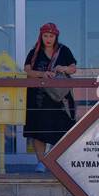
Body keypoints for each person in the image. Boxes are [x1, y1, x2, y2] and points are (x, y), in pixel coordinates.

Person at [22, 22, 78, 171]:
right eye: (45, 35)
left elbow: (73, 69)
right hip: (38, 99)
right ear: (41, 36)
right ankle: (41, 162)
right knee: (38, 130)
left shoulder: (63, 50)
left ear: (56, 37)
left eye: (51, 36)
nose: (48, 39)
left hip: (60, 98)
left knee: (61, 129)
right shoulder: (35, 52)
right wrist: (42, 74)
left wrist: (63, 68)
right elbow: (27, 71)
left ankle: (55, 161)